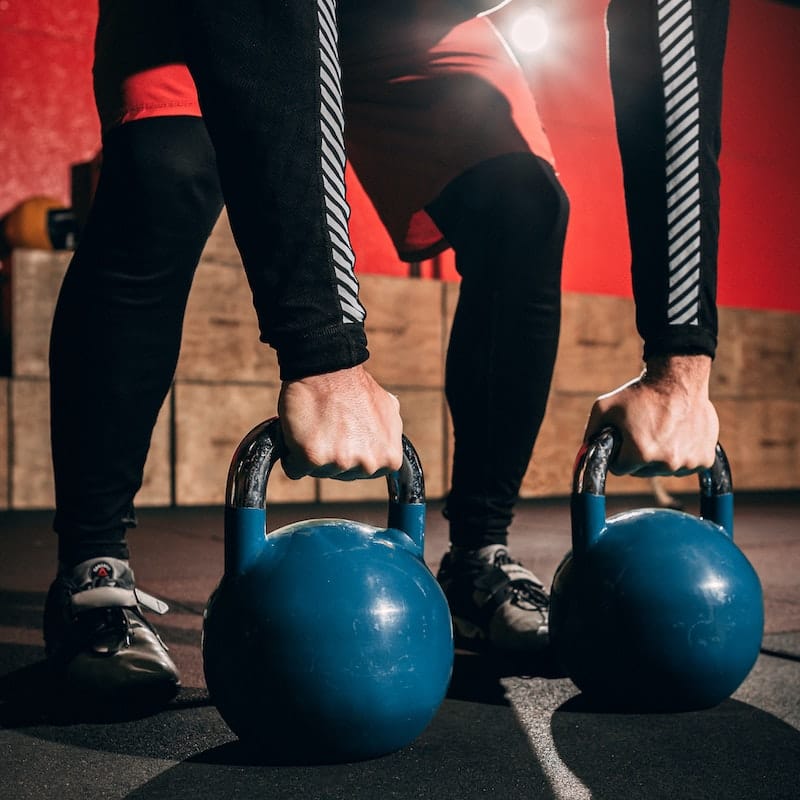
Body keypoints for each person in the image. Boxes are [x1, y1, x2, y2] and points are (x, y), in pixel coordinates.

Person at [43, 0, 727, 705]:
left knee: (521, 204)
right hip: (224, 14)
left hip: (405, 24)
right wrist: (324, 351)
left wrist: (681, 359)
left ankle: (478, 557)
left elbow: (677, 65)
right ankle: (93, 568)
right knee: (166, 173)